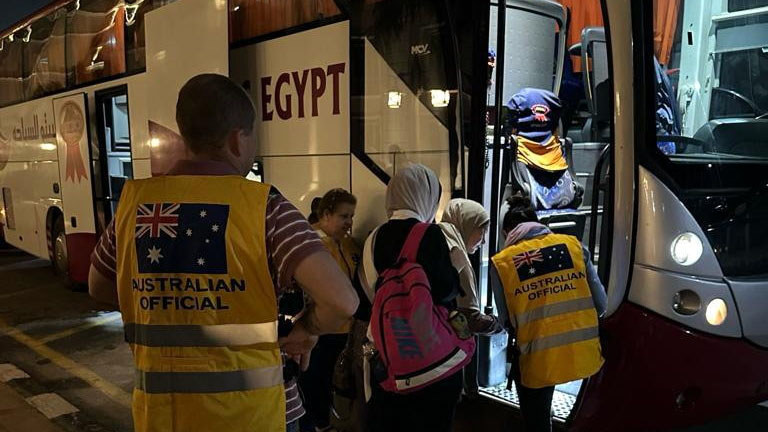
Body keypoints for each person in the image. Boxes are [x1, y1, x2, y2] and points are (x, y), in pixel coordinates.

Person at [87, 74, 358, 432]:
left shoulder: (135, 206)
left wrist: (169, 303)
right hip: (255, 416)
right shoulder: (265, 208)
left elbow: (100, 286)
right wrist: (305, 328)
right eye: (252, 137)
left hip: (163, 417)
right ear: (236, 139)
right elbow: (342, 301)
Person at [359, 163, 463, 432]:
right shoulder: (432, 234)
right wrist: (454, 267)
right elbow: (445, 290)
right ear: (427, 195)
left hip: (386, 350)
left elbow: (369, 293)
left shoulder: (373, 237)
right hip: (429, 353)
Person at [490, 194, 606, 432]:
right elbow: (602, 305)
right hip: (584, 356)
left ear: (507, 232)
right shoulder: (575, 247)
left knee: (535, 415)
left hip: (538, 360)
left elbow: (505, 321)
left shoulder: (501, 263)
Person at [301, 188, 360, 432]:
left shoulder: (349, 245)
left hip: (348, 330)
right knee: (318, 382)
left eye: (351, 216)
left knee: (339, 382)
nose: (349, 222)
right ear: (325, 215)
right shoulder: (312, 245)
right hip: (322, 331)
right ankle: (322, 425)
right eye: (344, 216)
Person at [438, 198, 503, 395]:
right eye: (481, 232)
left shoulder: (436, 239)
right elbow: (471, 319)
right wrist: (500, 326)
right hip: (446, 355)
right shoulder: (456, 252)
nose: (483, 241)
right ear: (466, 224)